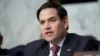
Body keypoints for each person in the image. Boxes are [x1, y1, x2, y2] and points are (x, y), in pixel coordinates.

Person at [24, 2, 99, 56]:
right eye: (42, 22)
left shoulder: (84, 45)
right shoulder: (32, 48)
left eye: (52, 20)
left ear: (64, 22)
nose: (46, 26)